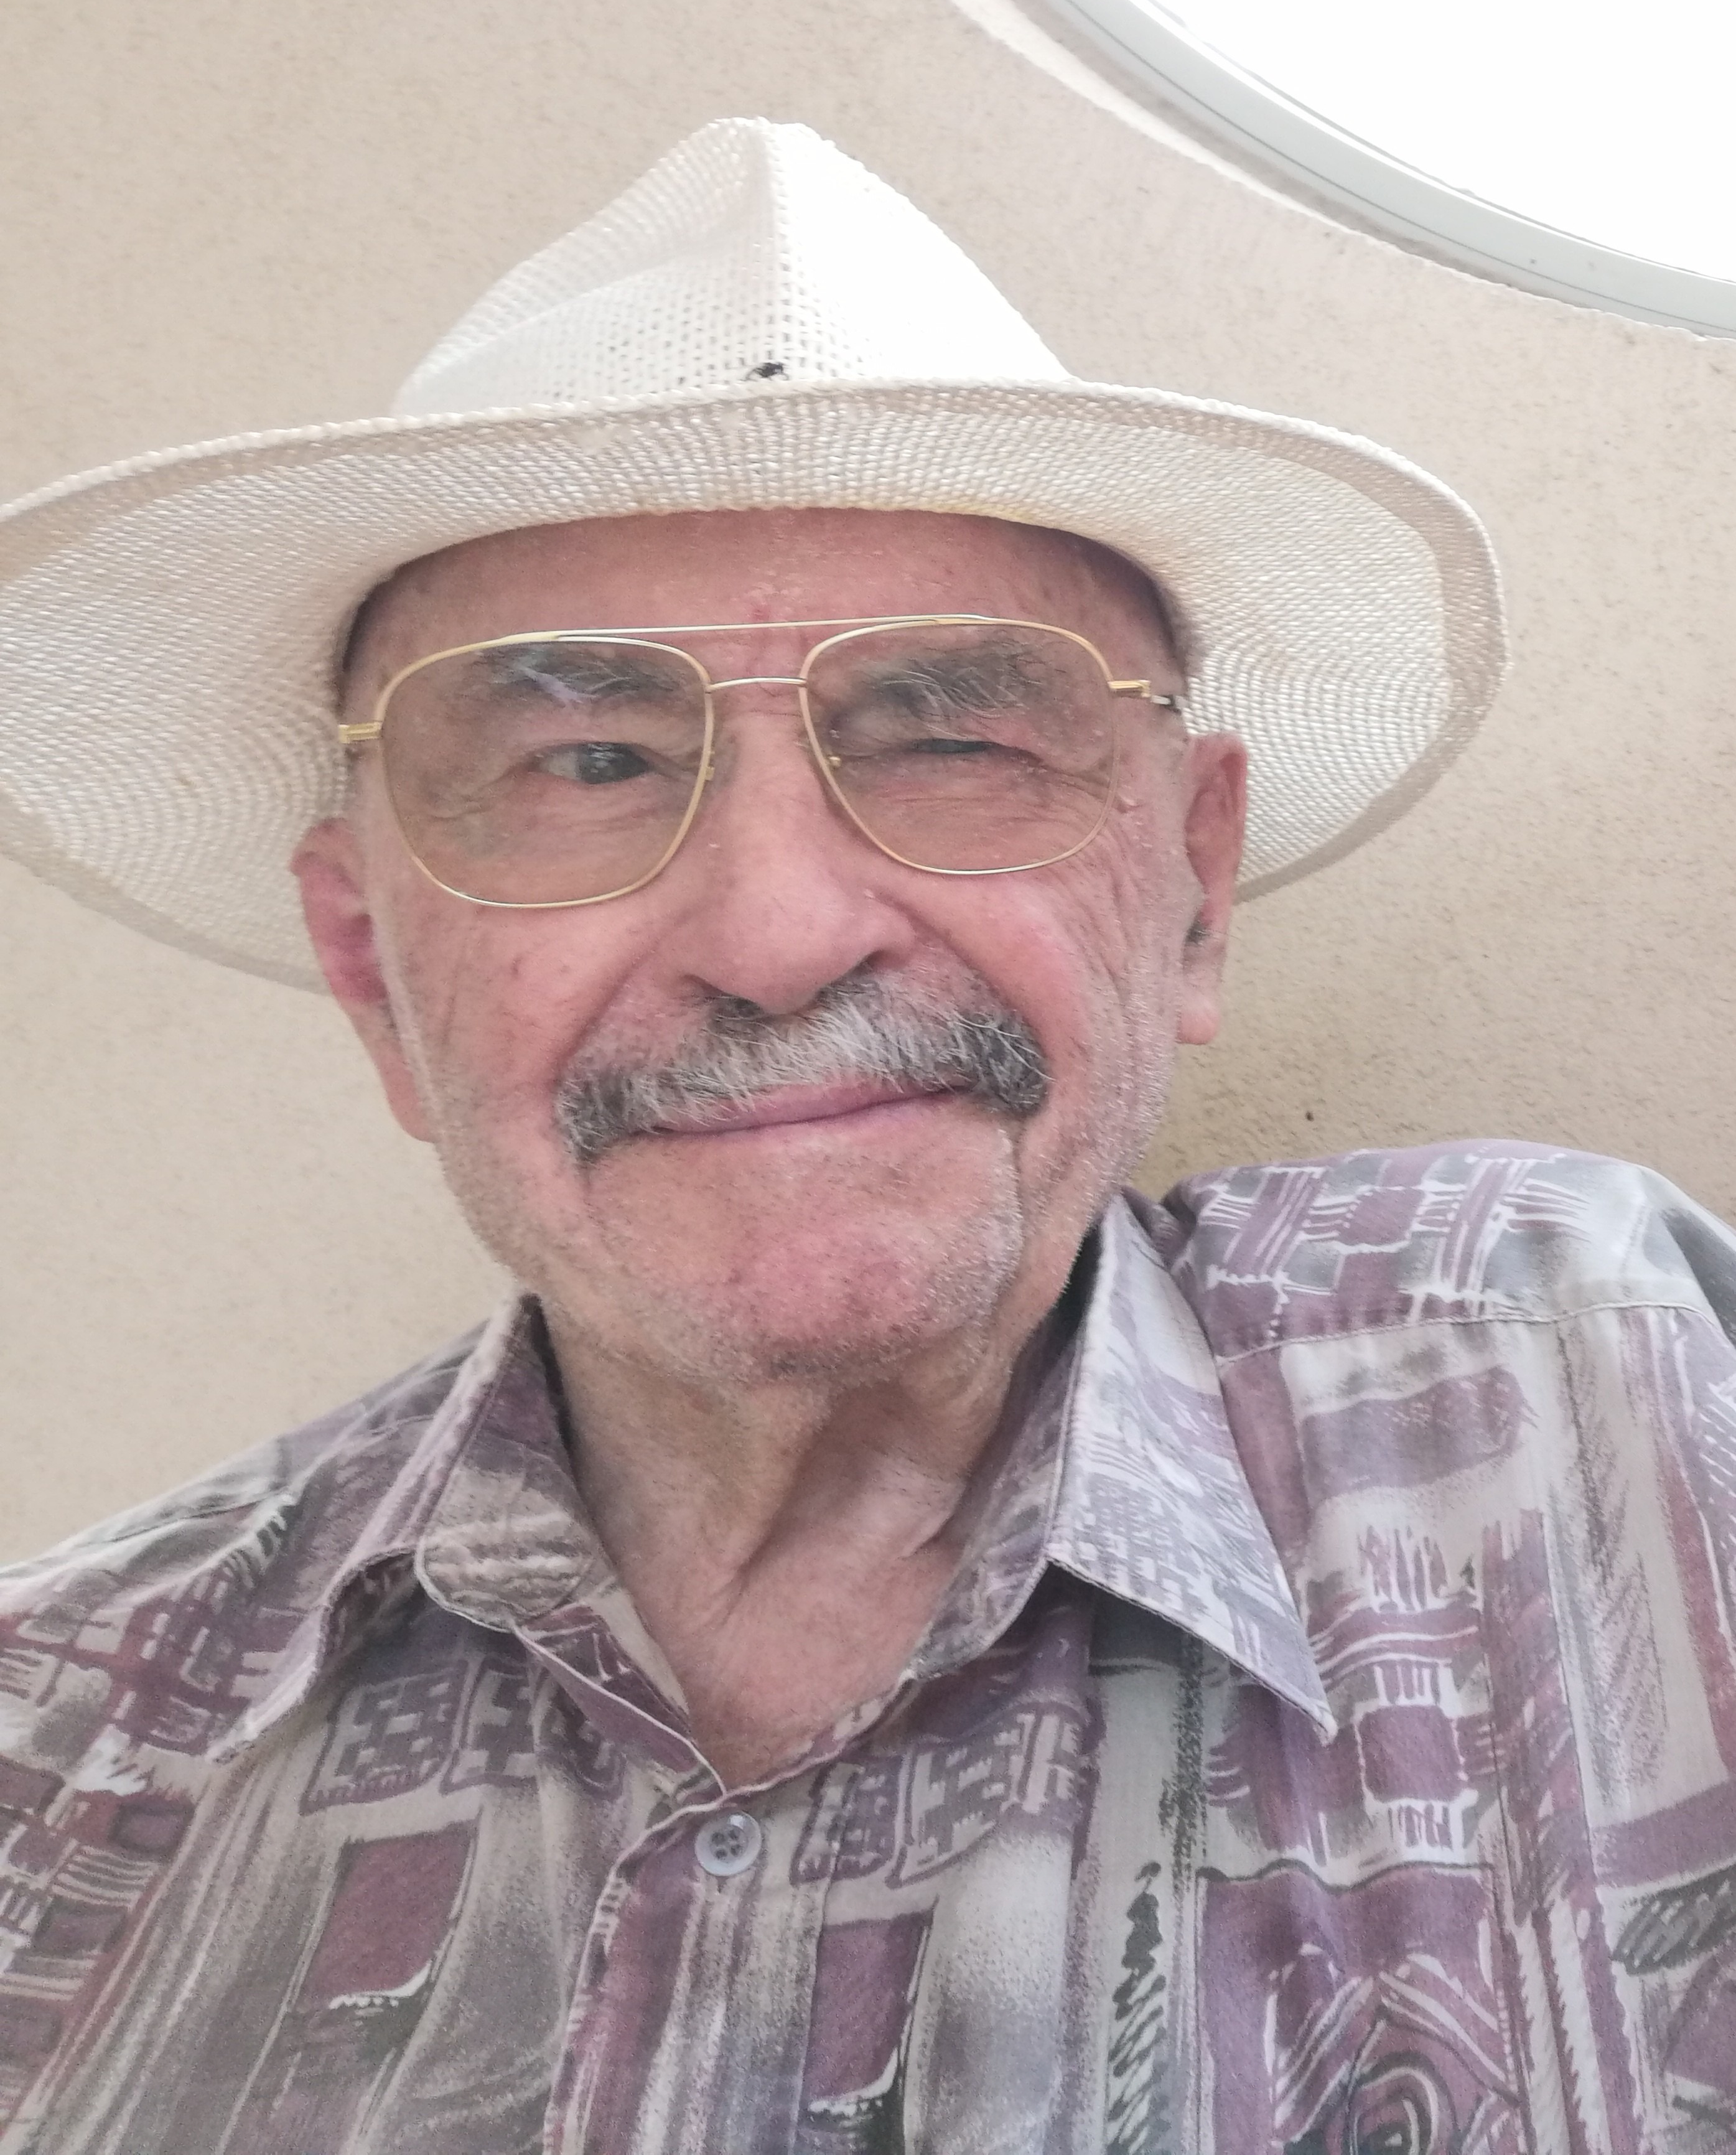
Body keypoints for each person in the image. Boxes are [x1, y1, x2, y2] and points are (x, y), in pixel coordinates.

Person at [0, 118, 1732, 2155]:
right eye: (588, 760)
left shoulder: (1603, 1390)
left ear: (1192, 890)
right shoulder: (61, 1735)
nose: (777, 933)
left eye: (954, 736)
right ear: (373, 969)